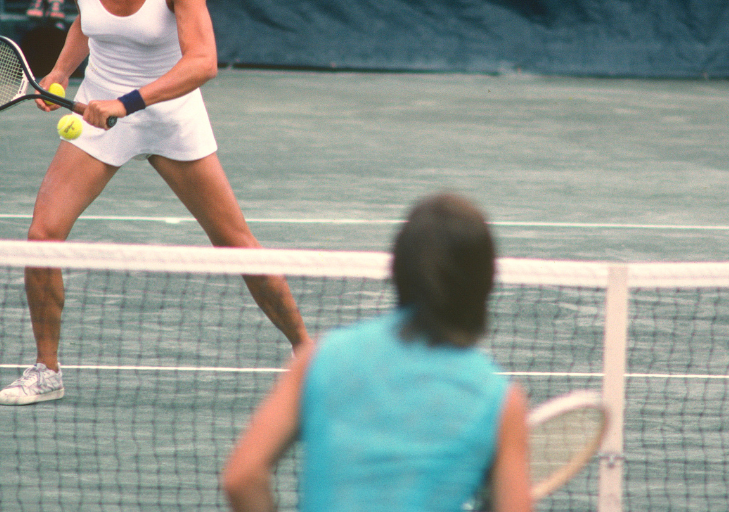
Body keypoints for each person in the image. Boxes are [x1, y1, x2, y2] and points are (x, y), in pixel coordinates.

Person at [0, 0, 310, 406]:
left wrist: (127, 102)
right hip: (99, 113)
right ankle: (46, 370)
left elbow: (203, 63)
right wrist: (59, 73)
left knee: (234, 243)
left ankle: (307, 352)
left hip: (169, 114)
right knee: (42, 236)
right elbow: (84, 24)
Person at [223, 193, 532, 512]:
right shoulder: (501, 402)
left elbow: (241, 478)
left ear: (398, 270)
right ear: (485, 283)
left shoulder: (320, 358)